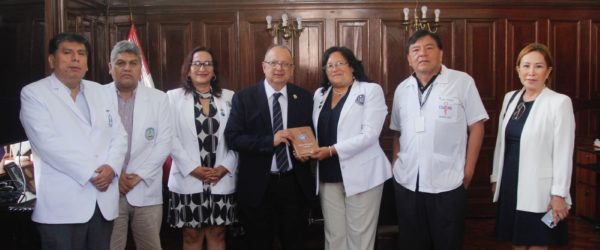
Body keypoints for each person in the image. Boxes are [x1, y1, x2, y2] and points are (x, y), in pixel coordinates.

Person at [19, 32, 128, 250]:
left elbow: (119, 135)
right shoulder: (35, 93)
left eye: (81, 54)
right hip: (62, 205)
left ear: (87, 62)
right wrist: (92, 174)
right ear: (52, 60)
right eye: (67, 53)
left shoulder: (100, 91)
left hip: (103, 201)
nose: (75, 59)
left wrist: (112, 167)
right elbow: (48, 145)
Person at [389, 30, 489, 249]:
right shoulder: (402, 90)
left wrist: (468, 171)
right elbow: (397, 132)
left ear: (441, 54)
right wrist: (396, 163)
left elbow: (477, 126)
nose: (422, 54)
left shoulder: (462, 82)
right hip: (408, 183)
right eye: (415, 50)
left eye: (429, 48)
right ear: (409, 58)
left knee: (448, 243)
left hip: (448, 183)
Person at [224, 45, 315, 250]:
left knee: (295, 242)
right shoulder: (244, 98)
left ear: (292, 69)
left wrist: (305, 153)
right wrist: (269, 141)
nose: (279, 68)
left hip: (294, 185)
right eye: (273, 63)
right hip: (258, 187)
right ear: (264, 67)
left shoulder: (304, 98)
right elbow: (233, 138)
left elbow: (310, 136)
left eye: (285, 64)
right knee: (258, 243)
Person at [491, 43, 574, 249]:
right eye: (526, 66)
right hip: (510, 183)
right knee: (517, 241)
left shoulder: (559, 103)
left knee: (538, 242)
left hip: (541, 189)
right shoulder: (510, 98)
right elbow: (501, 142)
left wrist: (559, 194)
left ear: (548, 71)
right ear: (518, 69)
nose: (531, 72)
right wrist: (496, 177)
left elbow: (564, 152)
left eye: (538, 66)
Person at [310, 46, 391, 250]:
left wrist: (331, 150)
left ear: (352, 67)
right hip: (328, 174)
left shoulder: (370, 90)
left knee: (360, 237)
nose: (335, 69)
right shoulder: (319, 95)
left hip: (362, 174)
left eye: (340, 63)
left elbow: (370, 135)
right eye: (329, 65)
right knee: (334, 236)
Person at [167, 47, 238, 250]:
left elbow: (237, 137)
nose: (202, 68)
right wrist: (192, 169)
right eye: (197, 63)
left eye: (207, 63)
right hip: (187, 177)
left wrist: (225, 167)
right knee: (191, 234)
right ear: (188, 70)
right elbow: (169, 137)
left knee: (218, 232)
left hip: (221, 177)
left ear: (214, 71)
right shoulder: (173, 98)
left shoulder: (230, 97)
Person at [106, 41, 172, 250]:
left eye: (133, 63)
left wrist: (138, 176)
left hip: (146, 188)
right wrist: (116, 176)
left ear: (139, 68)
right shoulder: (96, 96)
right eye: (120, 63)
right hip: (109, 188)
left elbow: (164, 143)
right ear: (110, 67)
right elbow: (93, 144)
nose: (127, 68)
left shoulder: (159, 98)